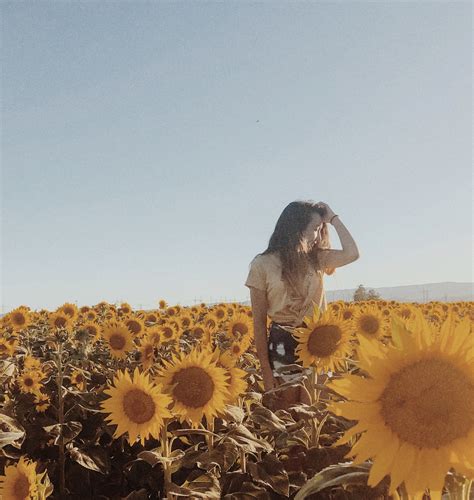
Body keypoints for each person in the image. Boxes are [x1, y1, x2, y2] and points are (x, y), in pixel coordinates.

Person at [244, 200, 359, 411]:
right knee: (287, 416)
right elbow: (259, 324)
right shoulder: (262, 265)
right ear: (297, 229)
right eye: (315, 229)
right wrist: (266, 373)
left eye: (320, 229)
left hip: (319, 343)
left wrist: (332, 218)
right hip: (282, 344)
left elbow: (352, 253)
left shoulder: (317, 259)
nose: (317, 235)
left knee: (315, 411)